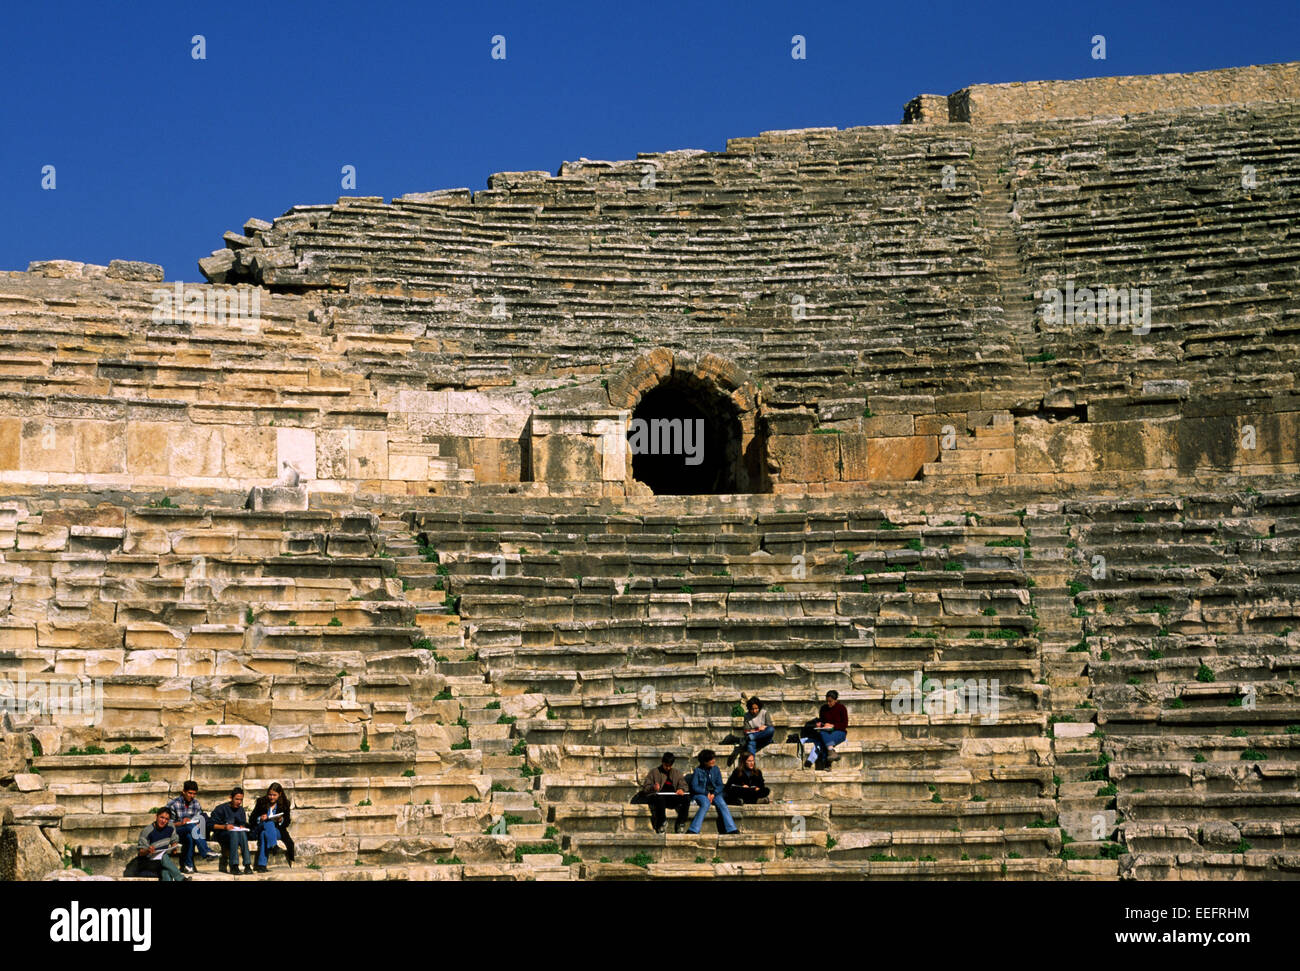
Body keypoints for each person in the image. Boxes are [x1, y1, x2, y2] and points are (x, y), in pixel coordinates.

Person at [167, 780, 218, 873]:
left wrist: (198, 823)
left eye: (194, 794)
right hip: (176, 831)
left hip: (191, 832)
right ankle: (205, 851)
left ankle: (188, 866)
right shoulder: (173, 804)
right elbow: (167, 824)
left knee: (190, 837)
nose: (192, 796)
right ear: (184, 791)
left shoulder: (196, 803)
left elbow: (199, 819)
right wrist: (181, 823)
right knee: (190, 826)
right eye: (190, 793)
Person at [634, 752, 690, 834]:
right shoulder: (654, 772)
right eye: (666, 765)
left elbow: (684, 785)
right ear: (662, 763)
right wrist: (653, 787)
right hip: (659, 798)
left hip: (672, 797)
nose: (667, 767)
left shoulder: (676, 773)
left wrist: (681, 789)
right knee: (659, 798)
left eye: (669, 766)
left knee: (686, 799)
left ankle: (681, 823)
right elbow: (646, 788)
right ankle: (661, 823)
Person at [687, 749, 739, 835]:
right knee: (705, 803)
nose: (713, 761)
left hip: (715, 793)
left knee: (722, 803)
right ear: (705, 761)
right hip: (701, 794)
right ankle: (693, 829)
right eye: (711, 759)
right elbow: (694, 786)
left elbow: (720, 785)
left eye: (713, 758)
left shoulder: (716, 769)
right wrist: (706, 793)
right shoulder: (697, 771)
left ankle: (731, 828)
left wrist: (713, 794)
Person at [250, 782, 295, 871]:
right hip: (261, 826)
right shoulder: (261, 801)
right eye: (270, 794)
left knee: (264, 834)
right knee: (268, 822)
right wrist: (260, 818)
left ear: (280, 794)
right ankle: (273, 846)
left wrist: (281, 820)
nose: (272, 797)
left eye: (274, 795)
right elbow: (252, 819)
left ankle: (261, 866)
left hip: (276, 830)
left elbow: (287, 822)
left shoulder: (285, 803)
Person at [801, 690, 849, 770]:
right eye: (827, 701)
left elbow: (844, 724)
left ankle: (825, 761)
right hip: (826, 732)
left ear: (836, 700)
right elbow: (823, 722)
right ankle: (830, 754)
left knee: (822, 742)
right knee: (822, 734)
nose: (828, 703)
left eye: (830, 701)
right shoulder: (823, 708)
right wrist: (821, 724)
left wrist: (833, 726)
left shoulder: (842, 708)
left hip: (839, 732)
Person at [209, 786, 252, 875]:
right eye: (237, 799)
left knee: (242, 833)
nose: (239, 802)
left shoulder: (241, 810)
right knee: (234, 834)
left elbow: (242, 823)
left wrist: (241, 826)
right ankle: (234, 865)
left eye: (241, 800)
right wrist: (224, 827)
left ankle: (247, 865)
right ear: (231, 798)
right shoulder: (221, 808)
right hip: (221, 834)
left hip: (236, 834)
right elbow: (211, 825)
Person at [137, 806, 184, 882]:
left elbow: (174, 840)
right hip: (148, 864)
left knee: (165, 872)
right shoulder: (147, 831)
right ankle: (181, 879)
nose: (163, 821)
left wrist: (174, 847)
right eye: (161, 817)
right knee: (164, 856)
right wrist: (148, 850)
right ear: (156, 816)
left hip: (162, 865)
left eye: (166, 819)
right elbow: (141, 852)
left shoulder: (171, 826)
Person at [728, 697, 775, 765]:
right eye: (752, 709)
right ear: (749, 708)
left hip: (765, 738)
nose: (754, 711)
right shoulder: (746, 716)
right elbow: (746, 731)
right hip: (753, 739)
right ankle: (751, 764)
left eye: (756, 708)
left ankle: (749, 739)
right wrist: (758, 729)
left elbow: (769, 727)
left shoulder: (764, 713)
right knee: (751, 742)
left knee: (771, 729)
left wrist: (754, 732)